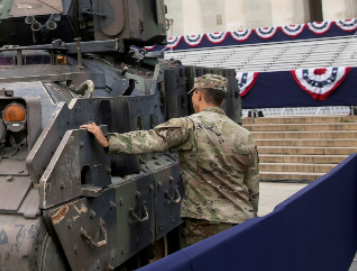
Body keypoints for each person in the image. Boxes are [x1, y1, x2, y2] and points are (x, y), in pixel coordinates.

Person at [81, 74, 260, 246]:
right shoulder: (245, 136)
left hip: (206, 222)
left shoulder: (188, 126)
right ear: (222, 100)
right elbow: (252, 186)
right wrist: (250, 215)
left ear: (198, 94)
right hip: (242, 220)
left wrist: (108, 141)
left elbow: (149, 140)